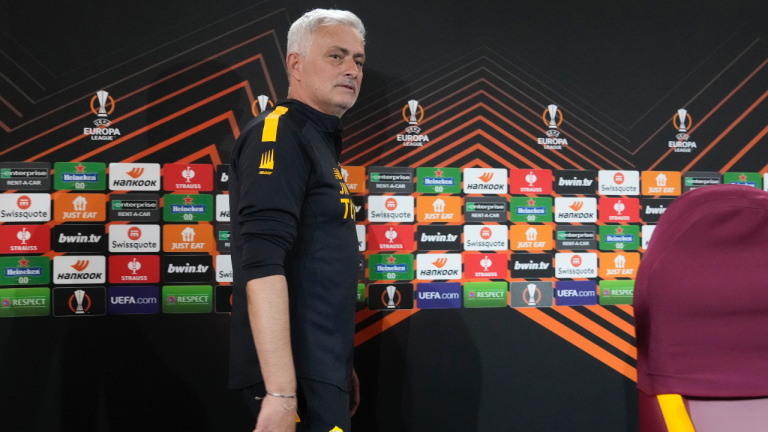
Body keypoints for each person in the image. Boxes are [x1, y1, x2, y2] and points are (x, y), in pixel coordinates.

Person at [227, 8, 366, 432]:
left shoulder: (316, 140)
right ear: (295, 64)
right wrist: (283, 392)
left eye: (358, 61)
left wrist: (339, 366)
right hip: (295, 380)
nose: (351, 70)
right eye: (336, 56)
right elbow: (262, 264)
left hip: (320, 369)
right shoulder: (280, 134)